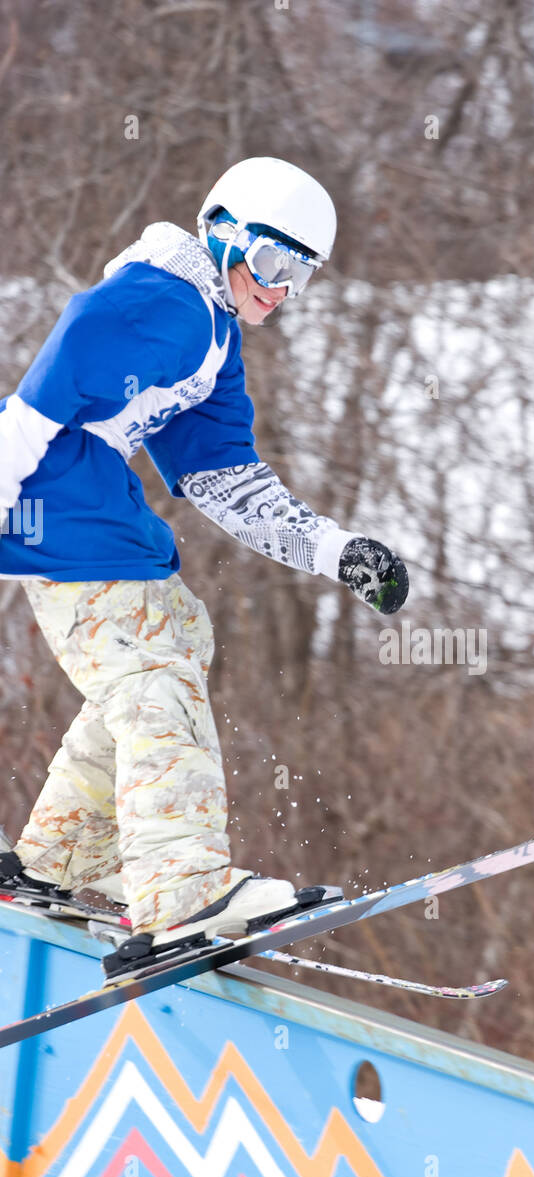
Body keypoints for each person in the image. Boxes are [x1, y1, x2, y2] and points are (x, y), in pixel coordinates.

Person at [0, 156, 408, 981]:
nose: (282, 290)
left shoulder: (213, 338)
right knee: (153, 667)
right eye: (272, 265)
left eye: (302, 276)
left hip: (84, 503)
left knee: (176, 636)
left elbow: (228, 482)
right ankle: (180, 887)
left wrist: (335, 551)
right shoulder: (168, 296)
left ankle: (60, 857)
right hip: (49, 495)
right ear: (224, 235)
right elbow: (51, 379)